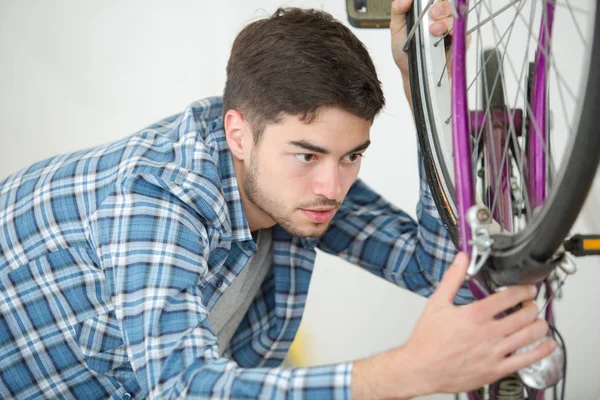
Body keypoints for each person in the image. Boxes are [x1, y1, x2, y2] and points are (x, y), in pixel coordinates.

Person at [0, 0, 556, 399]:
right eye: (308, 156)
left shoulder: (290, 182)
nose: (332, 189)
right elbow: (182, 388)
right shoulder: (157, 198)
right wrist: (409, 372)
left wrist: (424, 94)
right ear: (238, 133)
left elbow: (436, 268)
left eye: (352, 156)